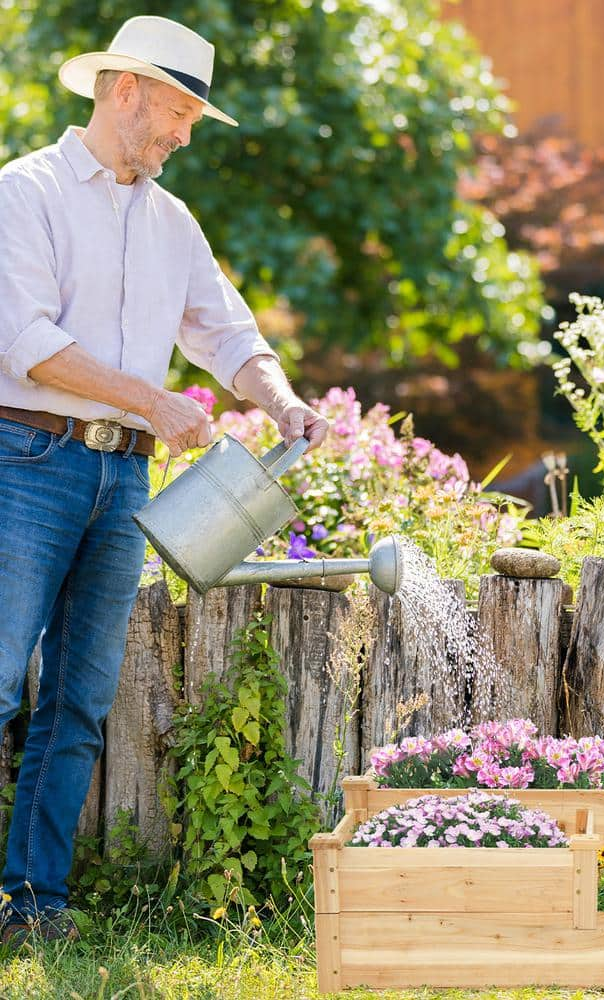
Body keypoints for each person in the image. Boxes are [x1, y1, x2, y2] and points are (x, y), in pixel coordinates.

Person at [0, 15, 329, 943]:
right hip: (24, 462)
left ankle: (33, 907)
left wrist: (283, 403)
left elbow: (228, 336)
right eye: (180, 111)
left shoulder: (171, 220)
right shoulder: (23, 194)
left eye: (194, 116)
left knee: (78, 702)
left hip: (123, 485)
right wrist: (153, 400)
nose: (186, 134)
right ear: (124, 90)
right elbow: (22, 344)